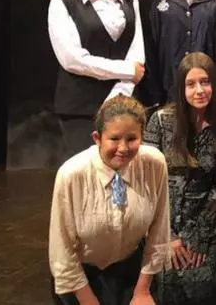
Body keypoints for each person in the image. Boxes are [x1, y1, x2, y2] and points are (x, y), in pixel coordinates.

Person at [49, 94, 170, 305]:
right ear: (97, 138)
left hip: (131, 273)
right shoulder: (71, 174)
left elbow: (159, 232)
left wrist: (142, 290)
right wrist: (88, 300)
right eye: (114, 139)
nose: (123, 148)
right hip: (81, 279)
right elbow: (62, 250)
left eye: (131, 139)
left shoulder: (154, 164)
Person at [143, 52, 216, 304]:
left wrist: (199, 238)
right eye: (191, 84)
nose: (199, 90)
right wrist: (168, 236)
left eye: (205, 82)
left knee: (203, 285)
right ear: (181, 88)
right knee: (168, 284)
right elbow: (147, 185)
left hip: (207, 226)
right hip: (163, 224)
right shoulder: (160, 121)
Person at [48, 0, 145, 159]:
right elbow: (73, 60)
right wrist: (126, 70)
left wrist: (118, 95)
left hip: (123, 104)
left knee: (122, 173)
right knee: (89, 174)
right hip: (80, 109)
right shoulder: (62, 2)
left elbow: (137, 53)